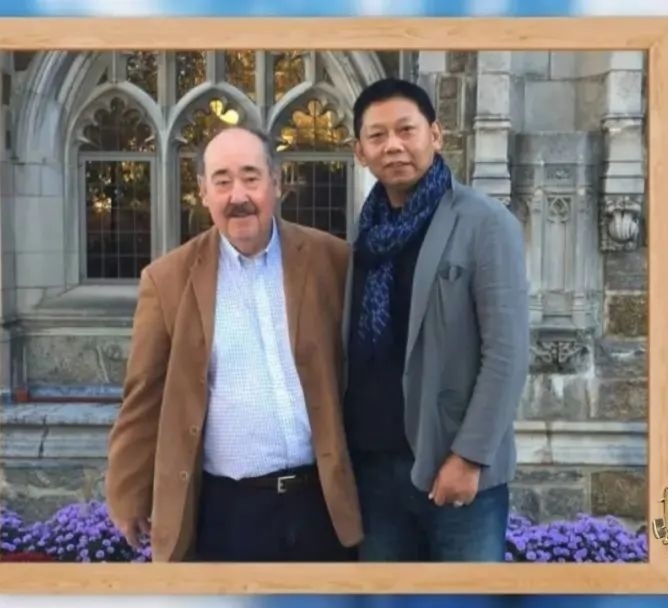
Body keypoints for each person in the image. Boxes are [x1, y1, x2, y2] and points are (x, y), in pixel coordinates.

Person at [104, 125, 363, 563]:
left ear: (276, 183)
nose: (237, 195)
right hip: (228, 512)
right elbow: (144, 394)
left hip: (322, 502)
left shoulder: (332, 260)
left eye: (250, 177)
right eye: (222, 181)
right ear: (203, 192)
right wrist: (127, 490)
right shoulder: (167, 280)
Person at [343, 78, 530, 562]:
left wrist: (468, 457)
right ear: (360, 151)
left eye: (406, 129)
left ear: (435, 134)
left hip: (455, 472)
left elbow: (507, 353)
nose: (393, 145)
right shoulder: (363, 236)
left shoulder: (485, 224)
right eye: (377, 135)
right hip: (374, 475)